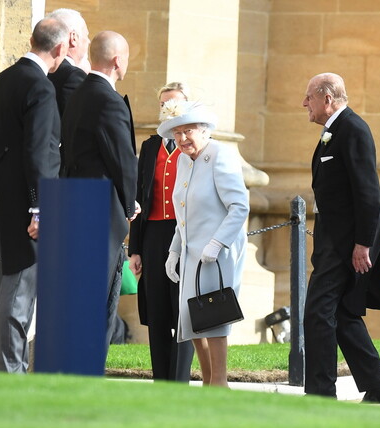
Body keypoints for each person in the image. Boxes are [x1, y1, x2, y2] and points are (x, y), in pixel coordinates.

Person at [0, 17, 69, 373]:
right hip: (30, 207)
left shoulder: (2, 80)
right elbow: (39, 154)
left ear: (32, 40)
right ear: (60, 49)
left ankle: (2, 376)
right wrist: (39, 207)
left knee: (5, 286)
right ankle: (9, 379)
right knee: (17, 294)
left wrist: (7, 184)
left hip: (2, 198)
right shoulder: (41, 88)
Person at [302, 72, 380, 403]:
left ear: (327, 99)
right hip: (334, 237)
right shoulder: (335, 130)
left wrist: (363, 243)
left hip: (347, 241)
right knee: (342, 313)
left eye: (309, 97)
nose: (305, 104)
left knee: (317, 311)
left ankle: (320, 394)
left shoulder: (353, 129)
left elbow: (368, 192)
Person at [158, 101, 249, 387]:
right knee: (192, 316)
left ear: (204, 130)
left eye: (188, 131)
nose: (182, 138)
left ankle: (219, 382)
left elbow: (239, 206)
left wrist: (217, 243)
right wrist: (174, 250)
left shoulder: (220, 155)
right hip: (190, 253)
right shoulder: (184, 160)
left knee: (214, 316)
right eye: (177, 133)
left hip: (217, 253)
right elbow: (182, 211)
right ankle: (208, 380)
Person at [61, 31, 139, 358]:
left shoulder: (77, 94)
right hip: (99, 210)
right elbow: (122, 158)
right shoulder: (108, 100)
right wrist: (130, 200)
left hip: (73, 202)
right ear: (117, 60)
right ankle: (89, 364)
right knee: (100, 297)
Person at [128, 82, 195, 381]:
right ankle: (161, 380)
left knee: (181, 307)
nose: (168, 110)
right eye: (164, 105)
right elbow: (141, 195)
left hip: (184, 234)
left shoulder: (194, 145)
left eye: (174, 104)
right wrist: (135, 248)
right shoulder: (150, 145)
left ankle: (178, 379)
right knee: (156, 310)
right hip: (154, 233)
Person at [46, 8, 91, 118]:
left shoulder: (41, 67)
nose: (89, 41)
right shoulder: (73, 76)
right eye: (86, 35)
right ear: (73, 38)